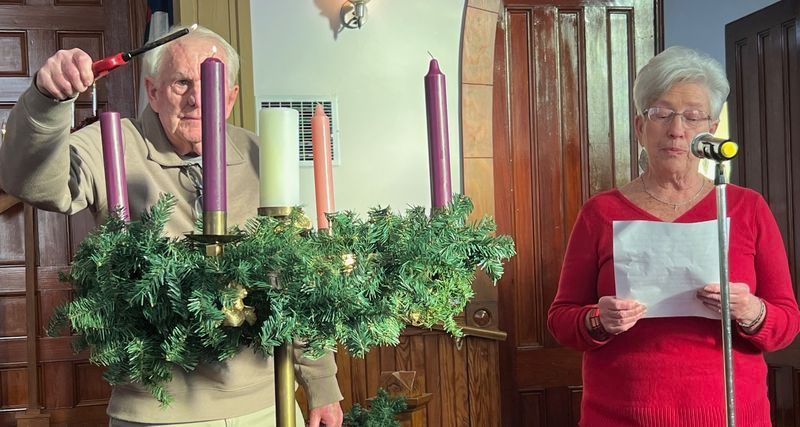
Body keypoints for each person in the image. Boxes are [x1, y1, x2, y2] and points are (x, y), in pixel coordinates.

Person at [0, 25, 344, 427]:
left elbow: (294, 280)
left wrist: (322, 385)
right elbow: (31, 182)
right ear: (152, 91)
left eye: (212, 84)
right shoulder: (111, 143)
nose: (197, 99)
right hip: (155, 412)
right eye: (182, 82)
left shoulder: (259, 154)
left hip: (267, 405)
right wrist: (47, 101)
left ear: (231, 97)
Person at [547, 46, 800, 426]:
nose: (677, 130)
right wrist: (599, 319)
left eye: (693, 116)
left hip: (730, 414)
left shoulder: (746, 207)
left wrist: (751, 311)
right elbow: (561, 319)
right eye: (661, 114)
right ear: (640, 127)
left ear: (712, 128)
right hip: (620, 415)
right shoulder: (600, 212)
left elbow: (786, 322)